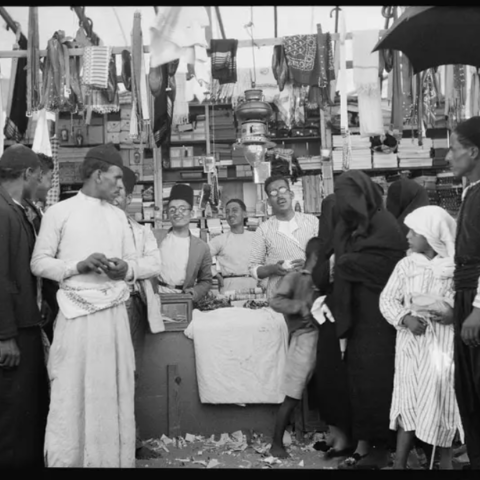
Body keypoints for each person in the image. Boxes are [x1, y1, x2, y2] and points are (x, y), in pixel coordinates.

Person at [30, 143, 138, 468]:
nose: (121, 186)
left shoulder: (119, 217)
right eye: (116, 177)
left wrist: (125, 269)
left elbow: (134, 262)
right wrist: (78, 265)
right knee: (71, 392)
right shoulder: (59, 212)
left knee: (112, 391)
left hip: (114, 319)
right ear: (98, 173)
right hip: (75, 318)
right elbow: (39, 263)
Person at [380, 205, 464, 470]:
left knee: (443, 400)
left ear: (430, 235)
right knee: (407, 400)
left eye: (413, 232)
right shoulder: (406, 265)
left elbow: (463, 301)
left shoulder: (454, 268)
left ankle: (446, 462)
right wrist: (405, 318)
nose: (407, 237)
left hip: (442, 345)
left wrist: (452, 314)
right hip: (410, 347)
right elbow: (387, 299)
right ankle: (400, 462)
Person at [332, 170, 406, 469]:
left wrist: (348, 264)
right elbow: (332, 263)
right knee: (359, 380)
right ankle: (364, 444)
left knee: (380, 380)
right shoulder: (347, 225)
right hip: (357, 316)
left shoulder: (384, 223)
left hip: (381, 316)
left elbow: (391, 267)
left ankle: (382, 447)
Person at [0, 144, 49, 468]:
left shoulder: (18, 208)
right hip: (12, 332)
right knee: (14, 418)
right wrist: (4, 335)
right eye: (40, 176)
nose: (42, 183)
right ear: (28, 173)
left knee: (28, 411)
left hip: (25, 326)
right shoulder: (3, 212)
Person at [111, 166, 163, 460]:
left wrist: (130, 269)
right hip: (100, 306)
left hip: (132, 306)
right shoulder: (92, 225)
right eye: (112, 190)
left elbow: (154, 264)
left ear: (129, 197)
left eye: (122, 192)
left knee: (129, 373)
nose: (116, 197)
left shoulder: (141, 230)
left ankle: (132, 442)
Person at [447, 116, 480, 470]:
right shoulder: (471, 191)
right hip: (464, 292)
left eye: (454, 149)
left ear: (473, 151)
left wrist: (478, 307)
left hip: (475, 294)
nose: (449, 156)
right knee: (467, 387)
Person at [269, 237, 322, 459]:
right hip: (303, 339)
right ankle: (276, 443)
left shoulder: (321, 280)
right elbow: (275, 301)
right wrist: (299, 306)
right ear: (316, 257)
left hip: (321, 339)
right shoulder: (294, 278)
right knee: (293, 393)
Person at [309, 194, 353, 458]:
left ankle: (343, 437)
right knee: (329, 376)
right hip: (335, 318)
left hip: (339, 318)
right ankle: (337, 434)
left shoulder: (343, 244)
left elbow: (323, 277)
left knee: (335, 377)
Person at [249, 175, 319, 301]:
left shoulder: (312, 222)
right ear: (269, 201)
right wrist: (272, 269)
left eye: (283, 190)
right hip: (279, 297)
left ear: (291, 194)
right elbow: (253, 269)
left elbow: (325, 257)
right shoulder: (263, 230)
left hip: (310, 293)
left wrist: (308, 265)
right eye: (273, 193)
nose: (280, 196)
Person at [154, 183, 212, 303]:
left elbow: (206, 281)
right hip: (155, 298)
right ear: (168, 214)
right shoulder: (155, 238)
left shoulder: (201, 247)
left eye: (182, 209)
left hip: (183, 300)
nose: (177, 213)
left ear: (191, 214)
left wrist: (194, 293)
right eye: (172, 209)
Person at [23, 153, 58, 344]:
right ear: (38, 175)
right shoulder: (25, 213)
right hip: (35, 301)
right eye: (50, 178)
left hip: (42, 299)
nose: (52, 185)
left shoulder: (36, 210)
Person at [209, 198, 257, 292]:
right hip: (229, 285)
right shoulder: (220, 240)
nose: (230, 214)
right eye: (227, 212)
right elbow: (201, 258)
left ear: (244, 214)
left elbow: (266, 261)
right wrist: (216, 274)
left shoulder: (255, 237)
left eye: (235, 210)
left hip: (254, 284)